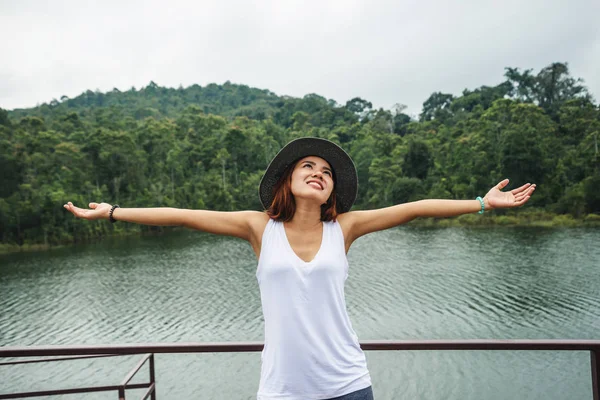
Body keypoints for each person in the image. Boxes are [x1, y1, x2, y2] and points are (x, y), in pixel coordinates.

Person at [64, 137, 536, 400]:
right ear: (288, 180)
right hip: (283, 390)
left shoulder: (345, 228)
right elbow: (183, 214)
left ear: (333, 190)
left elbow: (414, 208)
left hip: (348, 384)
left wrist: (481, 202)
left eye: (326, 172)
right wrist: (111, 212)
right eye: (307, 166)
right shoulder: (257, 228)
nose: (318, 172)